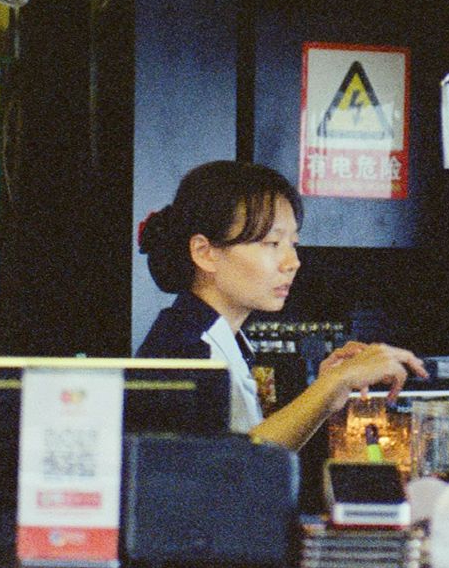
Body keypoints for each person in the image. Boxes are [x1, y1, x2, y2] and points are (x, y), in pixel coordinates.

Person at [135, 161, 425, 450]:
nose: (292, 262)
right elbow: (229, 468)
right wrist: (334, 383)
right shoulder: (183, 353)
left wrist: (326, 393)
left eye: (293, 243)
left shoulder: (219, 338)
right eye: (272, 243)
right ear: (205, 252)